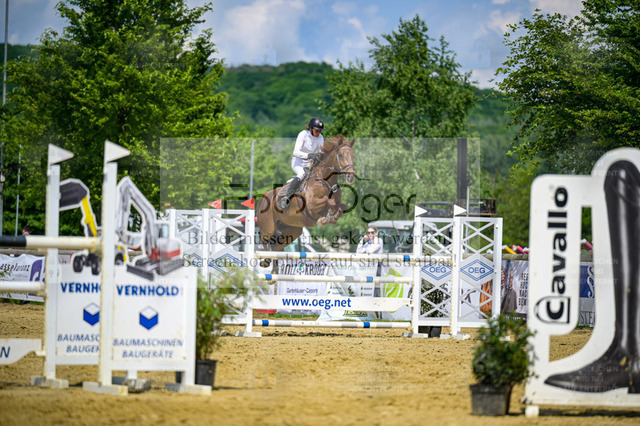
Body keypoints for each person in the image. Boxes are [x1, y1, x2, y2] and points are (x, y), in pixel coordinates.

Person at [278, 117, 325, 209]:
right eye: (317, 130)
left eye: (320, 131)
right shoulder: (303, 134)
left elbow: (321, 151)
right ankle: (286, 198)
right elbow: (295, 152)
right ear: (311, 128)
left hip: (310, 163)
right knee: (302, 174)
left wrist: (319, 156)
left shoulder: (320, 137)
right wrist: (309, 155)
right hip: (298, 162)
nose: (319, 133)